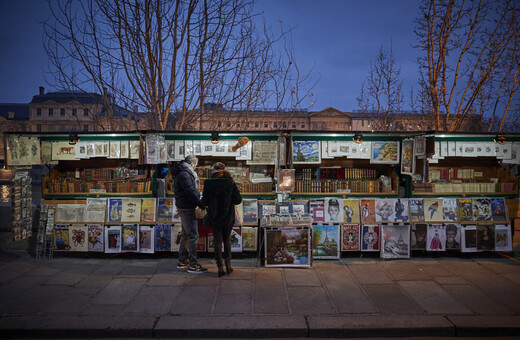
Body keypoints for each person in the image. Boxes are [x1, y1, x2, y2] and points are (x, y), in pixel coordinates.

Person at [202, 162, 242, 277]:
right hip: (228, 216)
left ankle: (220, 267)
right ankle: (228, 265)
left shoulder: (208, 183)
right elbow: (238, 200)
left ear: (213, 171)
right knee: (227, 240)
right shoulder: (230, 182)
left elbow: (204, 202)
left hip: (214, 216)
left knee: (217, 241)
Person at [172, 155, 207, 273]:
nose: (195, 167)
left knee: (186, 234)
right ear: (192, 163)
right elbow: (190, 191)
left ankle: (182, 261)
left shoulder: (182, 172)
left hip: (183, 206)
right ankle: (193, 265)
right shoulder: (185, 174)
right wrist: (201, 203)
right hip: (187, 207)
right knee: (193, 235)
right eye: (196, 165)